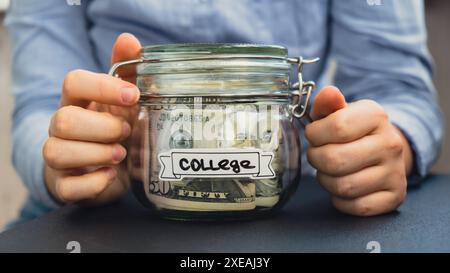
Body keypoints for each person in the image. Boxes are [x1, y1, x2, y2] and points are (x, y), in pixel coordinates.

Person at [5, 0, 442, 224]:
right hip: (96, 204)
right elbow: (38, 106)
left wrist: (381, 147)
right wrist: (71, 158)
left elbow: (397, 89)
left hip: (304, 204)